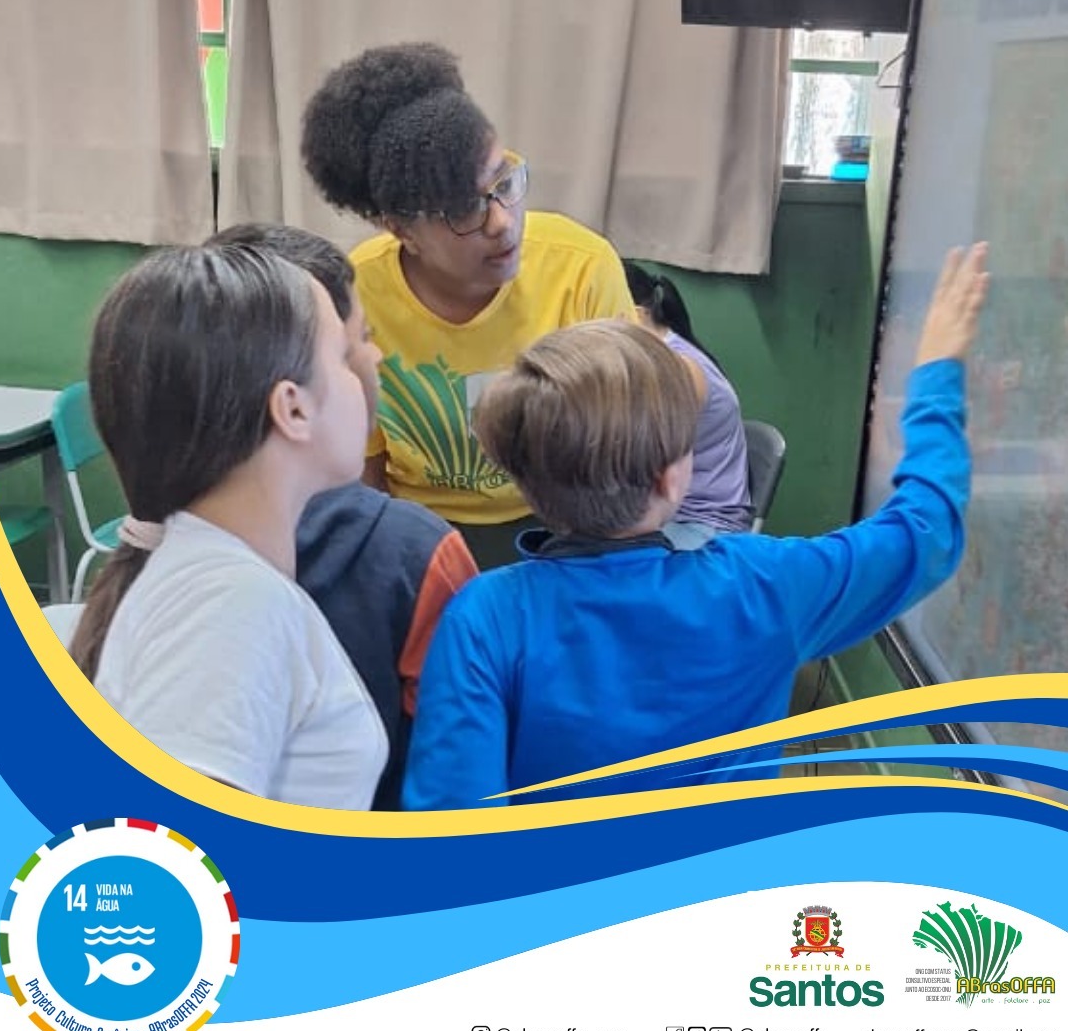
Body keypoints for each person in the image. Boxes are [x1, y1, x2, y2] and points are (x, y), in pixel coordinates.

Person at [402, 245, 989, 810]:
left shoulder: (482, 619)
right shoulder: (762, 585)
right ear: (670, 479)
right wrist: (935, 374)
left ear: (525, 483)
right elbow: (925, 529)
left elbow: (452, 825)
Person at [69, 244, 388, 810]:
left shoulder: (218, 579)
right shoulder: (233, 602)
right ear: (292, 408)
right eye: (343, 354)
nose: (373, 358)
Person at [301, 42, 635, 569]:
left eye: (504, 182)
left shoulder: (582, 268)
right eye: (463, 209)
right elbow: (363, 470)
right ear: (402, 230)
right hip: (419, 533)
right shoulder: (357, 293)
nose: (501, 221)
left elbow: (623, 456)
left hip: (562, 531)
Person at [208, 222, 479, 810]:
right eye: (357, 340)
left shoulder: (163, 539)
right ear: (294, 399)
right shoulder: (420, 553)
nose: (374, 356)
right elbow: (458, 771)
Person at [624, 261, 754, 538]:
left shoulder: (678, 367)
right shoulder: (652, 358)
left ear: (636, 315)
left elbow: (634, 462)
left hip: (698, 522)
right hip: (664, 513)